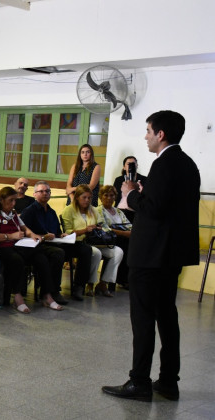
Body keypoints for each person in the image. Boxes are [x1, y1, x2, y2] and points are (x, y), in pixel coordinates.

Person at [102, 110, 200, 402]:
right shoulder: (187, 164)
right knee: (167, 316)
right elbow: (169, 205)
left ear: (161, 134)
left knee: (143, 318)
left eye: (148, 131)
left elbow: (154, 208)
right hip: (172, 254)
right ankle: (169, 381)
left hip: (151, 255)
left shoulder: (164, 165)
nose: (145, 136)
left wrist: (131, 193)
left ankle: (139, 381)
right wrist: (146, 192)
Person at [0, 187, 63, 313]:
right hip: (2, 248)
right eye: (11, 201)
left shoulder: (14, 214)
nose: (13, 204)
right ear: (1, 200)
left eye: (15, 201)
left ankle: (47, 294)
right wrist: (10, 236)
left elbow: (25, 228)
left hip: (17, 246)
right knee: (17, 260)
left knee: (41, 257)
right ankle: (17, 295)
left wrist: (33, 235)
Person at [20, 181, 91, 303]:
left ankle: (78, 286)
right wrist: (43, 236)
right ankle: (53, 291)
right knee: (58, 253)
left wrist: (62, 234)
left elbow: (57, 232)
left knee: (85, 249)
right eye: (41, 191)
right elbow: (25, 233)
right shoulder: (29, 211)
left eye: (47, 191)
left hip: (54, 242)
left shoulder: (51, 212)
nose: (45, 193)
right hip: (38, 245)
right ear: (34, 194)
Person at [61, 184, 123, 297]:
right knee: (96, 253)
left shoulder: (93, 210)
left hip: (96, 241)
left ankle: (103, 283)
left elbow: (103, 225)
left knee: (118, 252)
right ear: (77, 197)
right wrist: (85, 230)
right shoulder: (69, 210)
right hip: (79, 242)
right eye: (84, 197)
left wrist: (98, 228)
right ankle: (89, 284)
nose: (87, 200)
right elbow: (67, 232)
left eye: (89, 198)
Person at [97, 185, 132, 289]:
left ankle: (123, 278)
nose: (109, 198)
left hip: (121, 239)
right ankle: (118, 280)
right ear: (100, 197)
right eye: (106, 195)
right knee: (124, 246)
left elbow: (129, 226)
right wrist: (123, 233)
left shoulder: (119, 211)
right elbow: (104, 228)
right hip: (106, 240)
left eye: (111, 195)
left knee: (132, 245)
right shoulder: (98, 210)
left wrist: (129, 232)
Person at [112, 156, 147, 223]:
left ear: (137, 166)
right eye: (128, 164)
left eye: (133, 164)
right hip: (121, 210)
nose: (131, 166)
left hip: (136, 211)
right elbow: (115, 196)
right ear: (124, 167)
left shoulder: (144, 179)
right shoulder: (119, 180)